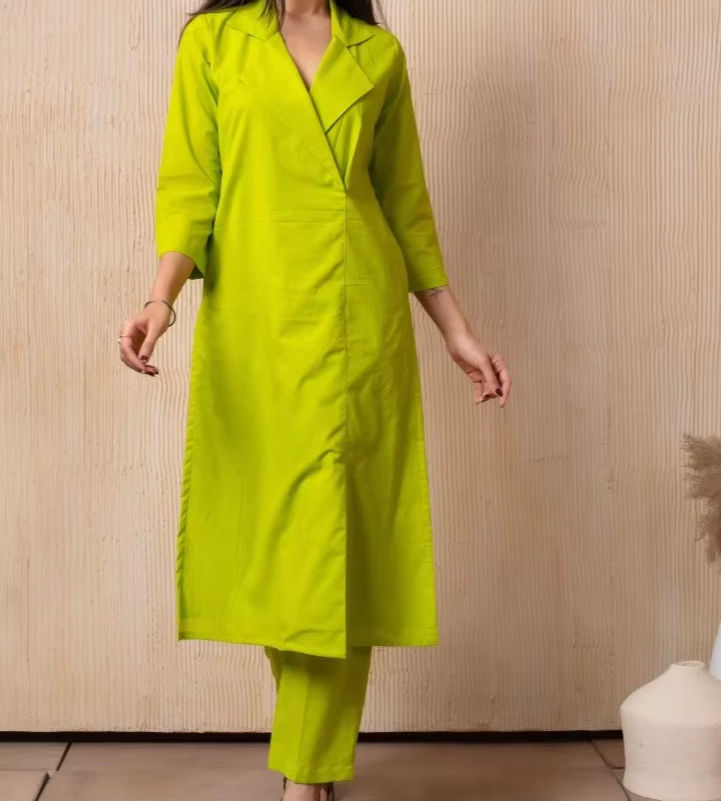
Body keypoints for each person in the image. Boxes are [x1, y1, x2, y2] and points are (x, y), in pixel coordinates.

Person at [118, 1, 511, 798]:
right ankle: (315, 751)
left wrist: (456, 331)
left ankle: (306, 772)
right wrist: (160, 300)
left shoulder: (376, 54)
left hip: (354, 318)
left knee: (340, 542)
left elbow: (405, 204)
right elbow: (190, 182)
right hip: (254, 322)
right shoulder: (214, 42)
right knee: (281, 547)